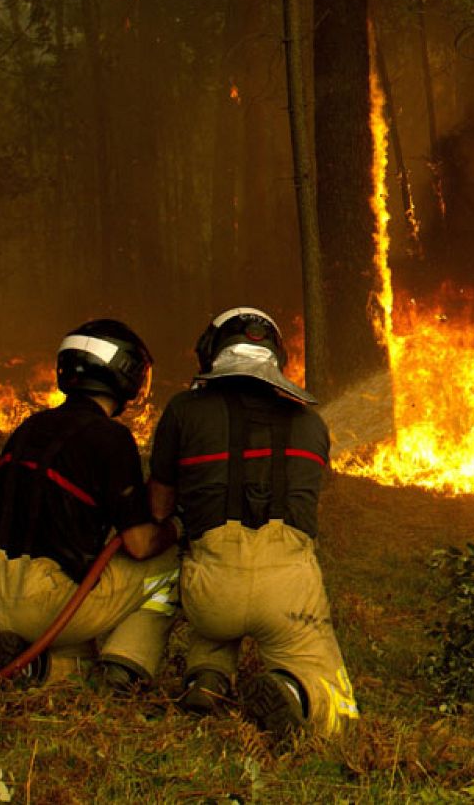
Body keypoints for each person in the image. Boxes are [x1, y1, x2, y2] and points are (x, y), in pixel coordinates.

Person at [147, 307, 358, 739]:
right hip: (288, 594)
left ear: (210, 353)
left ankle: (207, 681)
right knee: (331, 693)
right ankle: (293, 690)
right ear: (277, 358)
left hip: (210, 592)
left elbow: (158, 509)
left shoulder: (184, 410)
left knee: (219, 616)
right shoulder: (312, 423)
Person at [0, 319, 179, 689]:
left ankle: (36, 670)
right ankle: (126, 666)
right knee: (172, 563)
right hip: (48, 602)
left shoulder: (29, 428)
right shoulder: (110, 438)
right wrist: (177, 527)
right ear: (126, 373)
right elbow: (138, 544)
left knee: (80, 665)